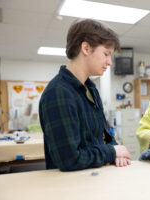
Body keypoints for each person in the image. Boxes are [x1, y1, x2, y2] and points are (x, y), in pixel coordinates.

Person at [39, 19, 131, 171]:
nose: (110, 62)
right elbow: (69, 159)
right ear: (86, 48)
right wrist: (112, 152)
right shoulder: (58, 92)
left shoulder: (90, 88)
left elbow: (105, 136)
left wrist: (116, 151)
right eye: (106, 54)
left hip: (95, 179)